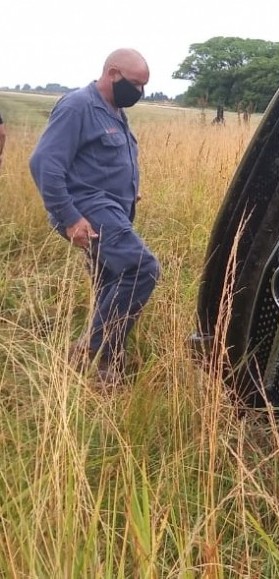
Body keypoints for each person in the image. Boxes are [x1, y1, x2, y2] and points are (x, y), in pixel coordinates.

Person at [29, 48, 160, 387]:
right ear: (113, 73)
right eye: (135, 84)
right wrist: (71, 218)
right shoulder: (78, 106)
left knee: (111, 282)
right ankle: (91, 349)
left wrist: (129, 190)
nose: (140, 93)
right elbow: (44, 163)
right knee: (141, 268)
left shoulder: (113, 109)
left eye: (144, 86)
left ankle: (108, 366)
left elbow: (99, 161)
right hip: (90, 211)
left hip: (112, 209)